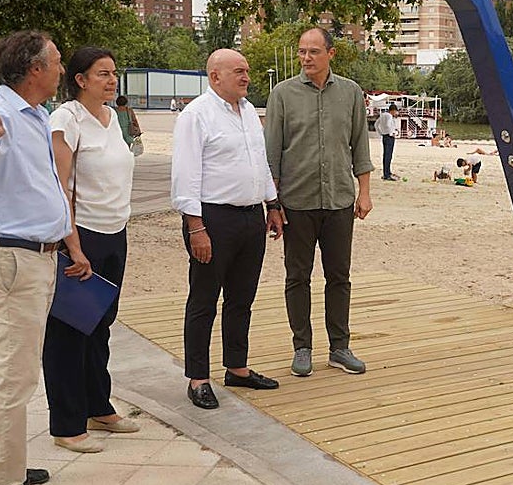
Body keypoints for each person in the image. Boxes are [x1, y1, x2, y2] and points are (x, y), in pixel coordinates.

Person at [0, 30, 71, 485]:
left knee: (5, 365)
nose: (61, 68)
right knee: (16, 375)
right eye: (56, 61)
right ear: (34, 69)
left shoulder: (36, 114)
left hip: (29, 258)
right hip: (13, 262)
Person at [171, 49, 284, 409]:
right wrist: (195, 227)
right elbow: (185, 175)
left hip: (251, 217)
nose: (246, 76)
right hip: (213, 219)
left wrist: (272, 204)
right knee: (204, 300)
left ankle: (237, 367)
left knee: (241, 298)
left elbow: (260, 162)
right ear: (215, 76)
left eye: (247, 70)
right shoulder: (196, 115)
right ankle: (198, 378)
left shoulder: (248, 111)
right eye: (238, 71)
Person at [44, 48, 138, 453]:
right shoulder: (67, 119)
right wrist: (74, 246)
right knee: (69, 332)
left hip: (115, 233)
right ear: (80, 79)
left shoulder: (112, 118)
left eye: (114, 73)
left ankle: (98, 406)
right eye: (102, 73)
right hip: (82, 236)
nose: (111, 80)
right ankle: (67, 423)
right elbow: (59, 187)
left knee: (100, 325)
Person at [265, 27, 373, 378]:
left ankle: (340, 347)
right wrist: (273, 204)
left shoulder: (351, 92)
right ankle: (302, 348)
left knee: (339, 276)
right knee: (297, 276)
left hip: (340, 199)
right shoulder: (282, 94)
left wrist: (364, 191)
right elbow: (272, 154)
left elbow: (360, 145)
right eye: (302, 51)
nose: (306, 58)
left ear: (331, 54)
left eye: (313, 51)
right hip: (297, 202)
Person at [377, 102, 399, 181]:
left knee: (385, 155)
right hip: (389, 137)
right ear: (393, 110)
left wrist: (380, 132)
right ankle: (387, 174)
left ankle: (386, 172)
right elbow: (388, 125)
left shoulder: (383, 115)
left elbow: (376, 124)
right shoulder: (389, 116)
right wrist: (391, 133)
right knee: (388, 155)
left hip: (384, 136)